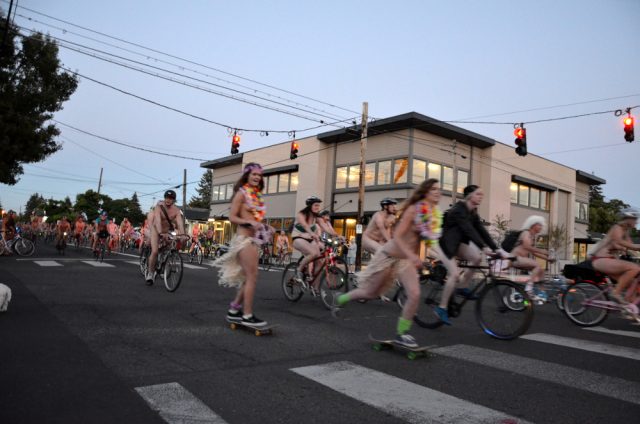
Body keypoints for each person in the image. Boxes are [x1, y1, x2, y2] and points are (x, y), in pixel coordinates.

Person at [334, 179, 443, 348]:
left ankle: (402, 334)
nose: (438, 192)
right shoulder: (413, 210)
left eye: (439, 189)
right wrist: (412, 256)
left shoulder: (432, 215)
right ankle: (341, 298)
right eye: (434, 189)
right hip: (387, 255)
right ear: (425, 192)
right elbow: (398, 237)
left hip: (404, 260)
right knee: (370, 293)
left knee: (414, 294)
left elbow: (429, 241)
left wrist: (443, 259)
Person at [436, 184, 508, 325]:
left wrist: (496, 248)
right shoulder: (459, 210)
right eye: (478, 194)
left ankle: (462, 287)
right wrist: (483, 247)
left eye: (482, 195)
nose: (481, 197)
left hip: (457, 245)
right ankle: (441, 308)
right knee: (455, 274)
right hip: (446, 245)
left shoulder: (472, 212)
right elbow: (468, 230)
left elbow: (481, 231)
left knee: (476, 258)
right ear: (469, 195)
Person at [213, 163, 274, 327]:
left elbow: (256, 220)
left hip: (254, 241)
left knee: (250, 277)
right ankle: (247, 316)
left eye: (259, 175)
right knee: (251, 277)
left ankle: (234, 311)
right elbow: (232, 217)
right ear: (246, 175)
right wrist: (247, 221)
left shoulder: (256, 195)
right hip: (243, 240)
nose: (257, 177)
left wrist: (265, 227)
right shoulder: (241, 194)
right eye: (253, 174)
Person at [589, 208, 640, 304]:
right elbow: (620, 242)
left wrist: (635, 250)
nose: (637, 222)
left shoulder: (626, 231)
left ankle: (630, 310)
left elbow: (632, 247)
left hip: (609, 260)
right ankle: (615, 293)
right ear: (629, 219)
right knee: (635, 268)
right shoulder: (617, 228)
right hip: (601, 259)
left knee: (632, 283)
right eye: (635, 219)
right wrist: (636, 247)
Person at [509, 216, 554, 301]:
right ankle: (528, 288)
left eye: (541, 225)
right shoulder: (526, 233)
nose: (541, 227)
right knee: (537, 265)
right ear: (533, 225)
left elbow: (534, 252)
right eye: (539, 225)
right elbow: (526, 246)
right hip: (516, 258)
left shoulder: (532, 236)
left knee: (541, 270)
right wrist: (543, 251)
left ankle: (541, 292)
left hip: (521, 259)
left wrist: (547, 259)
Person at [147, 190, 187, 284]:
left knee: (168, 248)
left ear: (174, 200)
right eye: (167, 198)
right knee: (155, 251)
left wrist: (183, 235)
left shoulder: (176, 211)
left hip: (167, 231)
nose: (168, 200)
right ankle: (150, 273)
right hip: (157, 230)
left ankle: (162, 266)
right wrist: (161, 233)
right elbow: (157, 220)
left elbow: (180, 224)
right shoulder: (159, 206)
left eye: (171, 198)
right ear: (164, 198)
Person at [291, 196, 323, 293]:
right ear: (310, 206)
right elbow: (305, 225)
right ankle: (298, 271)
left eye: (319, 205)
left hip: (310, 239)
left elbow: (326, 226)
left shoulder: (316, 217)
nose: (318, 207)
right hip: (298, 238)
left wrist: (337, 235)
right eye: (316, 205)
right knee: (313, 253)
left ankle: (315, 287)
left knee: (320, 262)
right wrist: (312, 233)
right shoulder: (301, 214)